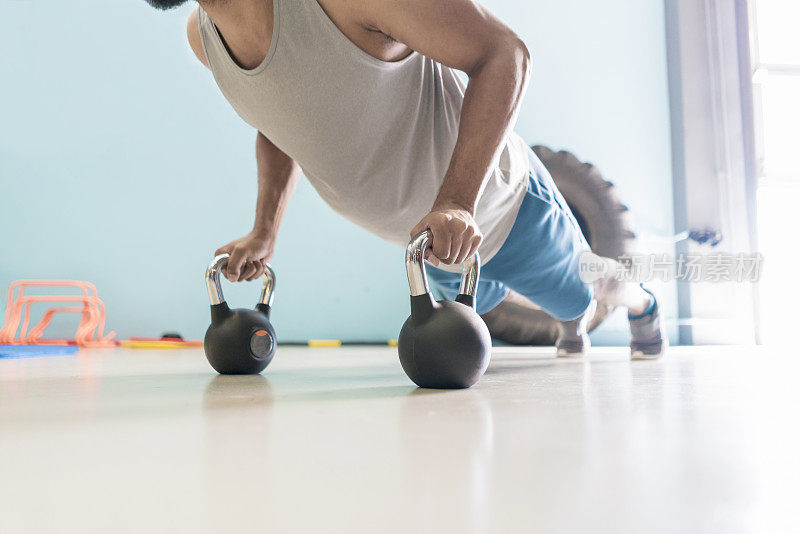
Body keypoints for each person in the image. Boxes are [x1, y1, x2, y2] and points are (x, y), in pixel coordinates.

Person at [145, 0, 666, 358]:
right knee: (485, 306)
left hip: (504, 210)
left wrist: (459, 201)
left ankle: (640, 303)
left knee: (586, 296)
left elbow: (504, 53)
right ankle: (566, 314)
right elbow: (281, 122)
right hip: (431, 243)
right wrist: (265, 231)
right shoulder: (203, 40)